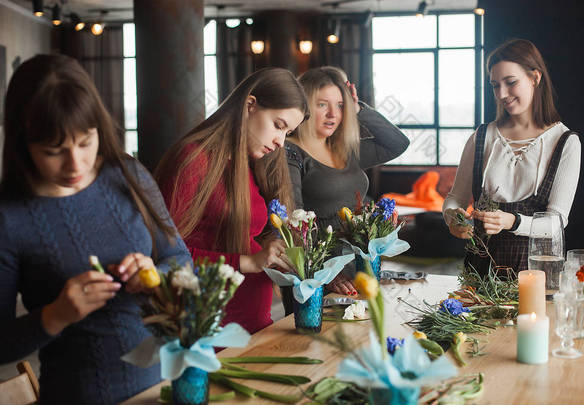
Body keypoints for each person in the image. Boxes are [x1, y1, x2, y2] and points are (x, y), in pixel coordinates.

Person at [0, 54, 192, 404]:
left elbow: (179, 257)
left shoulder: (128, 175)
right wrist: (54, 315)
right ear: (22, 144)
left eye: (86, 142)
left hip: (164, 386)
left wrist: (157, 274)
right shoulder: (9, 216)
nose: (75, 164)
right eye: (54, 151)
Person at [156, 68, 309, 334]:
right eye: (278, 125)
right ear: (250, 105)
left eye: (288, 133)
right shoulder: (194, 160)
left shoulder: (252, 165)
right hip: (207, 322)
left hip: (253, 317)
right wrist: (248, 262)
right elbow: (164, 257)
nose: (280, 142)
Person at [443, 39, 581, 275]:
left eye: (511, 82)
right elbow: (455, 199)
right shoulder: (482, 137)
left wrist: (513, 221)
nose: (502, 94)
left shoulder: (565, 141)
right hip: (480, 272)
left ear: (535, 78)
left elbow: (556, 223)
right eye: (495, 85)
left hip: (537, 273)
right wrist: (452, 217)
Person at [285, 66, 409, 295]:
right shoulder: (290, 151)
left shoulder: (343, 149)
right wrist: (324, 271)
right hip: (317, 274)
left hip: (359, 265)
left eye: (340, 105)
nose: (333, 114)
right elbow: (294, 220)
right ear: (303, 105)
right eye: (322, 104)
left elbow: (397, 143)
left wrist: (358, 108)